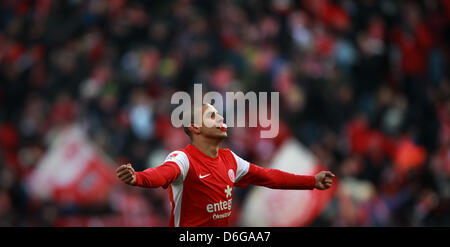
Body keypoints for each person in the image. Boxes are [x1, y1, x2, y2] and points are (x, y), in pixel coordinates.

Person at [116, 103, 335, 226]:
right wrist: (138, 178)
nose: (221, 120)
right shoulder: (183, 160)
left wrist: (311, 181)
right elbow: (162, 174)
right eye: (212, 117)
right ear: (196, 129)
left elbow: (270, 177)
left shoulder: (230, 159)